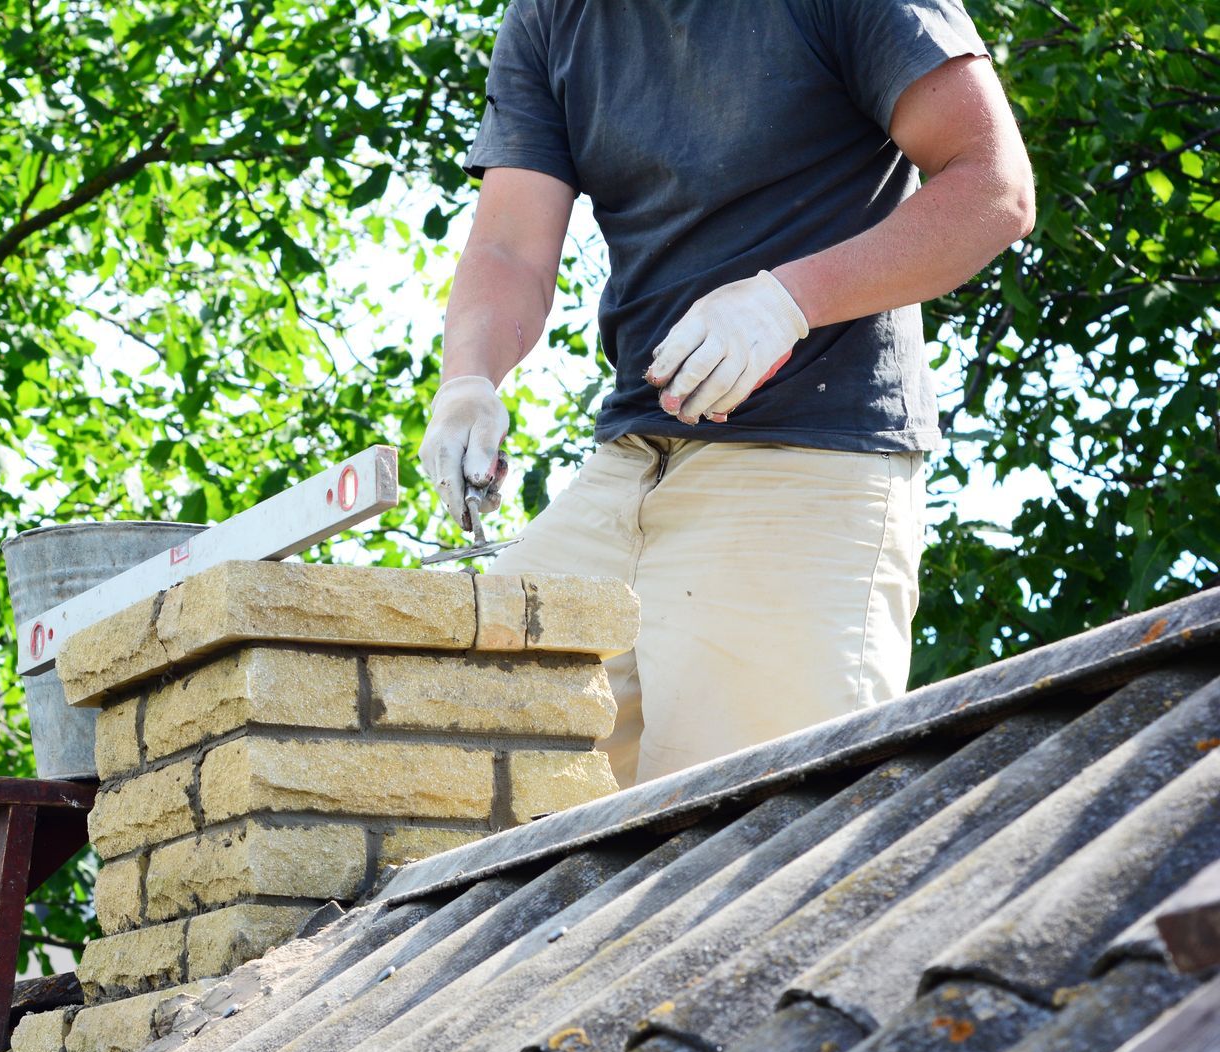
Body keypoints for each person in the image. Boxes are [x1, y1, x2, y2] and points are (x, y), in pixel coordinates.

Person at [421, 0, 1036, 789]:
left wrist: (787, 301)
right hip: (633, 464)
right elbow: (509, 245)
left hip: (807, 462)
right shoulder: (550, 17)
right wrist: (468, 381)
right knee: (440, 749)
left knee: (749, 832)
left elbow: (994, 186)